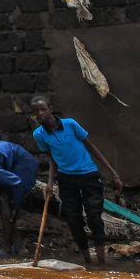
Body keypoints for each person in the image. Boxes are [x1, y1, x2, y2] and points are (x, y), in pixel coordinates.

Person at [30, 96, 118, 268]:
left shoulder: (70, 124)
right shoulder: (39, 134)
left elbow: (90, 146)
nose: (40, 114)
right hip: (66, 179)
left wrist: (113, 172)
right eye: (36, 112)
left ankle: (101, 263)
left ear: (50, 107)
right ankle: (87, 262)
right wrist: (49, 182)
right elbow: (52, 158)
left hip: (89, 175)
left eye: (43, 109)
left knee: (94, 217)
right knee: (73, 219)